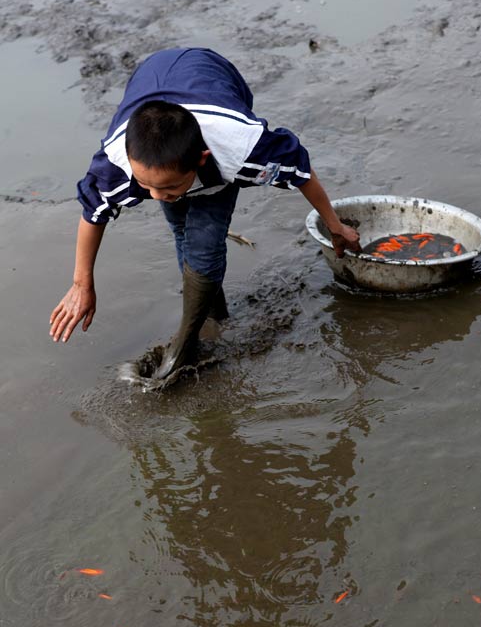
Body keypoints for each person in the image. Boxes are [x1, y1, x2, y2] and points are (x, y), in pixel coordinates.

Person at [49, 47, 360, 378]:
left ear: (201, 158)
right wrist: (82, 283)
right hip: (151, 75)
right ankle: (212, 312)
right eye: (146, 186)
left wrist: (334, 225)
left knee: (204, 242)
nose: (157, 197)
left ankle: (185, 344)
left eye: (168, 187)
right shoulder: (116, 166)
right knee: (182, 227)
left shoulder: (241, 150)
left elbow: (300, 169)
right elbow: (93, 213)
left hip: (214, 74)